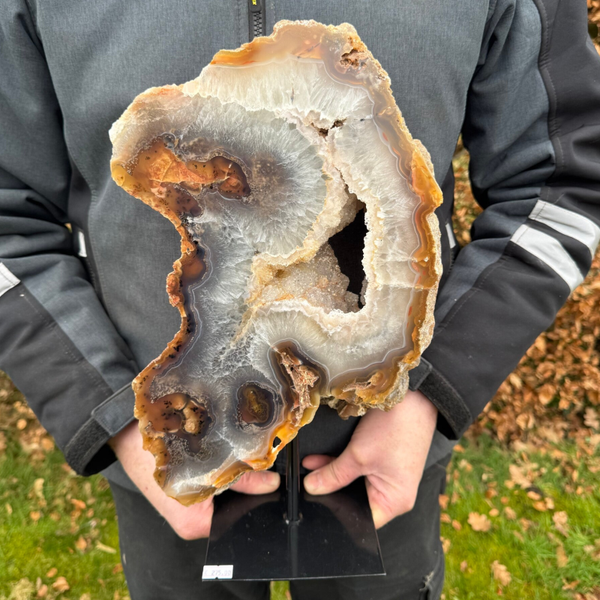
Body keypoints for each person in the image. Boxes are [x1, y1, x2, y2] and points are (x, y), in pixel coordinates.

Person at [1, 1, 598, 598]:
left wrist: (431, 396)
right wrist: (114, 420)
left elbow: (561, 186)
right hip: (172, 448)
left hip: (387, 449)